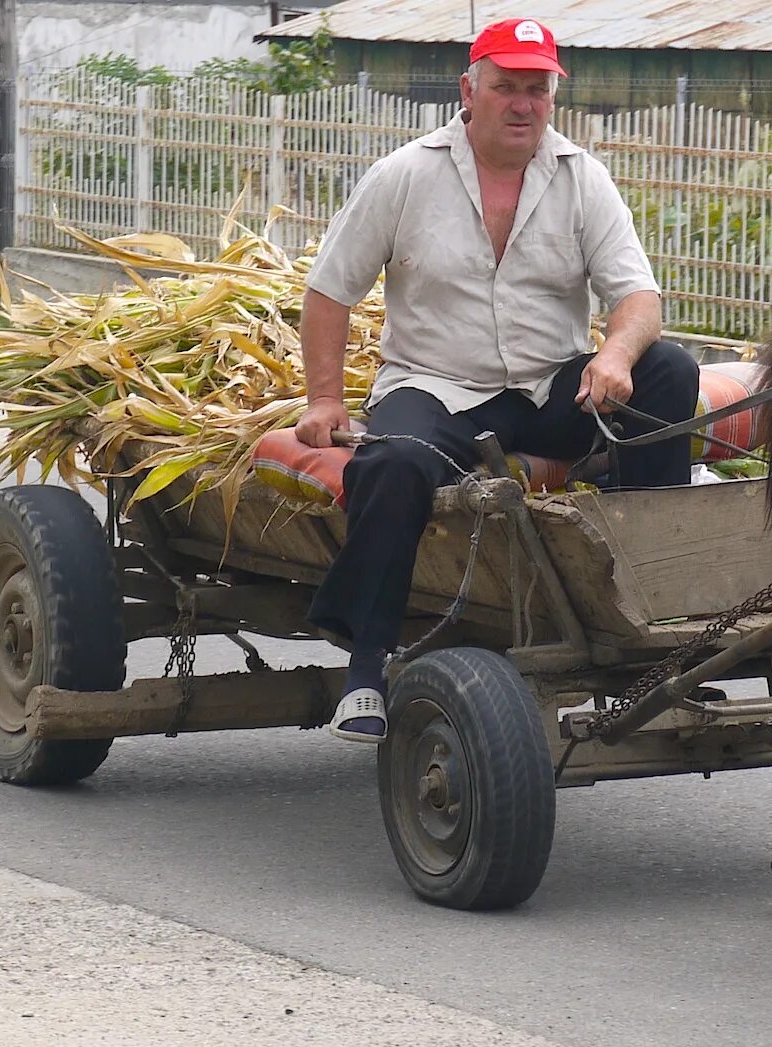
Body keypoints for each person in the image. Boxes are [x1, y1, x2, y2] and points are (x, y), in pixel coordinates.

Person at [295, 17, 697, 743]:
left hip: (550, 390)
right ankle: (365, 667)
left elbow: (639, 298)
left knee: (668, 368)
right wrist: (324, 399)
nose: (522, 105)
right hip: (437, 385)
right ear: (468, 91)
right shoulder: (406, 175)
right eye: (506, 87)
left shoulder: (582, 177)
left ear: (552, 96)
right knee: (392, 463)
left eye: (536, 90)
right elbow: (329, 292)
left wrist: (612, 355)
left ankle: (647, 595)